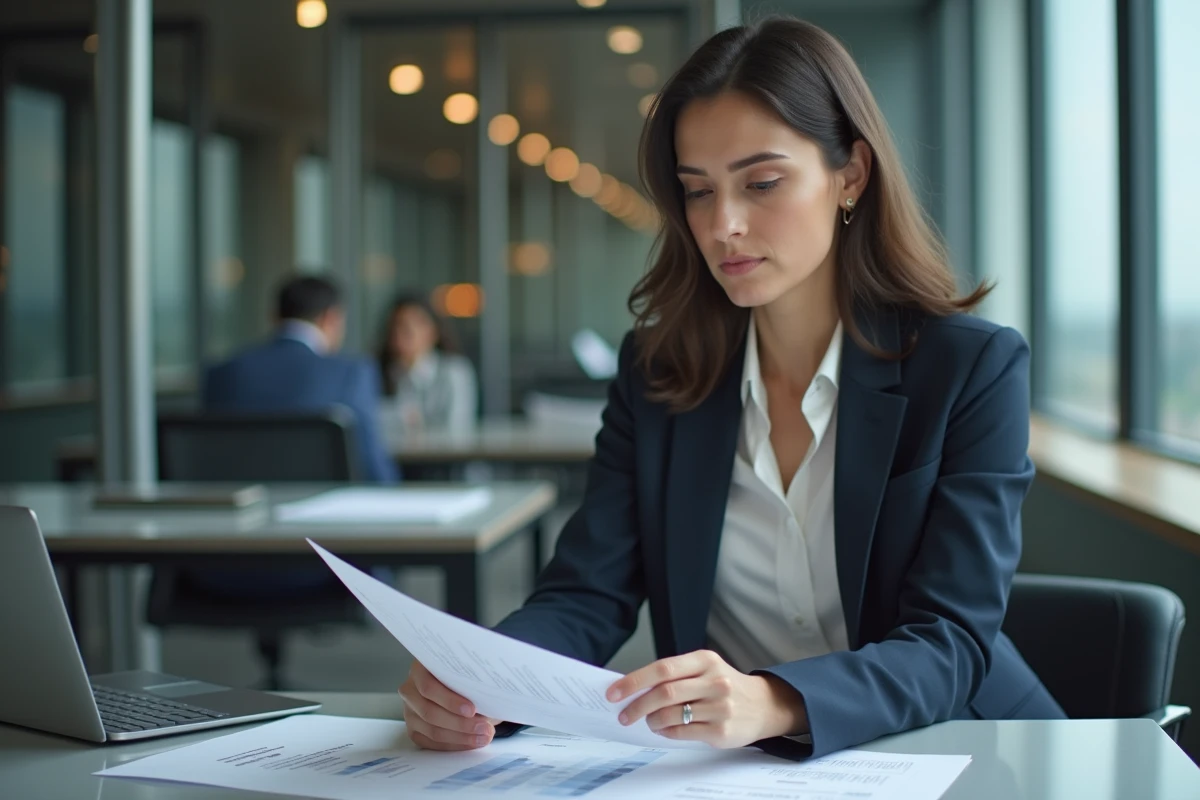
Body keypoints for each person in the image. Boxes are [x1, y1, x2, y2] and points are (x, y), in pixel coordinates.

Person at [399, 16, 1065, 760]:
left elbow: (949, 642)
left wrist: (774, 699)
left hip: (954, 750)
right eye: (697, 192)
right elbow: (586, 594)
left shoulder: (969, 368)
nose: (724, 226)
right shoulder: (658, 373)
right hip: (736, 772)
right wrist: (484, 680)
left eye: (762, 183)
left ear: (850, 174)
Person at [205, 274, 397, 484]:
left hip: (240, 510)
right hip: (323, 510)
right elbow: (370, 462)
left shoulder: (221, 373)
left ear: (274, 317)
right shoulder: (351, 373)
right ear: (331, 318)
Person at [377, 294, 478, 432]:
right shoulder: (379, 372)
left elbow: (457, 429)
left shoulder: (454, 372)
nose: (405, 333)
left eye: (415, 325)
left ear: (434, 331)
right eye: (398, 326)